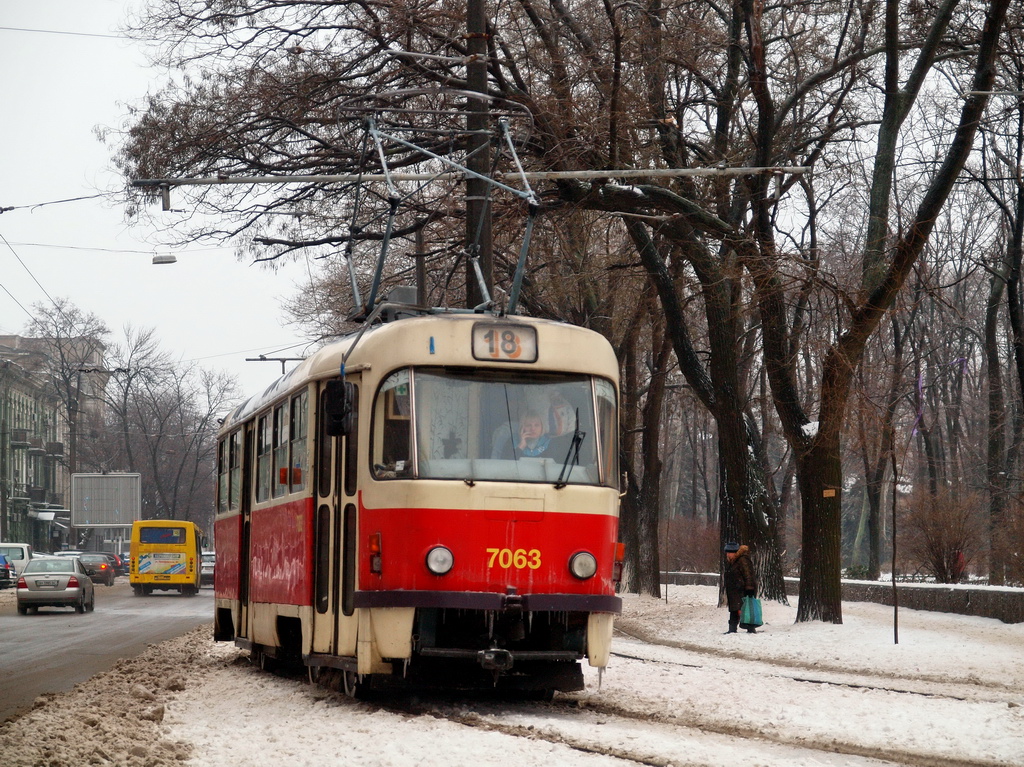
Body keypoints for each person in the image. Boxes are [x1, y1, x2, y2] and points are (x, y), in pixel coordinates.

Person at [723, 541, 757, 634]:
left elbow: (748, 575)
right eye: (727, 552)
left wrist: (749, 588)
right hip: (736, 590)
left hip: (742, 590)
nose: (728, 555)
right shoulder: (734, 562)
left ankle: (750, 628)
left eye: (730, 553)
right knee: (735, 609)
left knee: (745, 608)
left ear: (735, 552)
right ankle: (732, 629)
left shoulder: (742, 560)